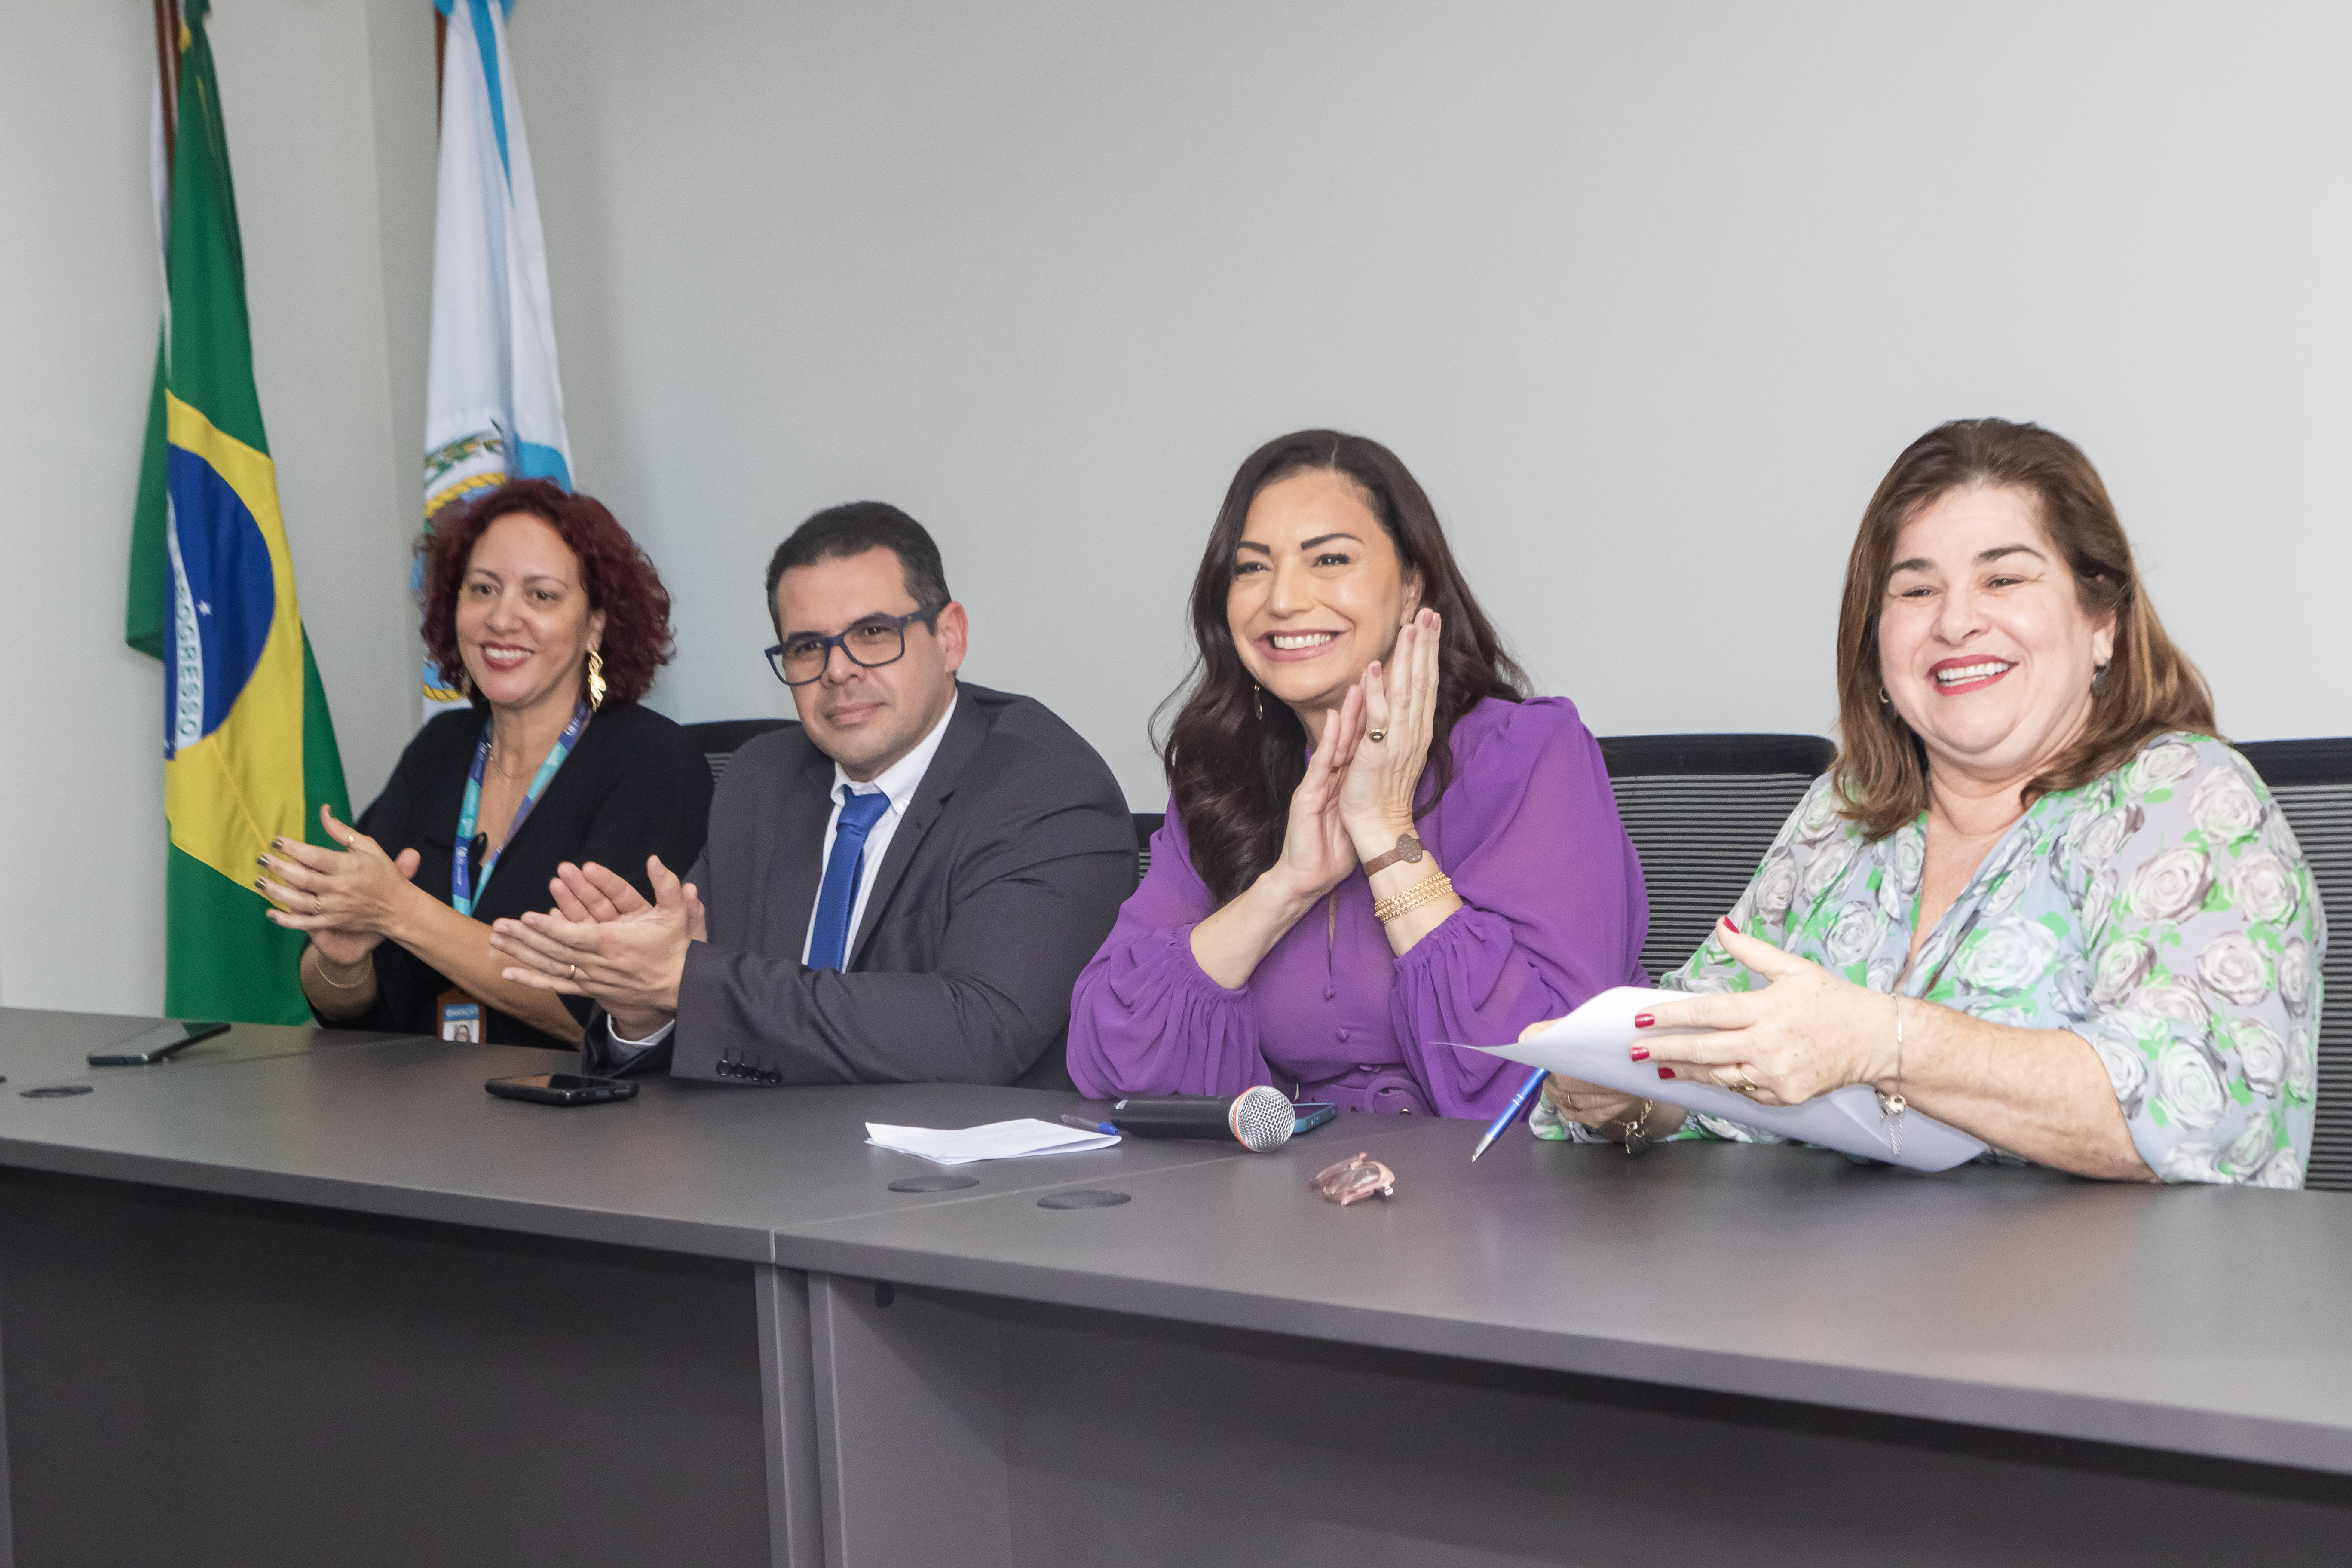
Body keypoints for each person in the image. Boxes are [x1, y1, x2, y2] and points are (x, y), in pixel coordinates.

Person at [1536, 418, 2323, 1186]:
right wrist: (1632, 1093)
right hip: (1819, 1270)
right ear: (1876, 647)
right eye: (1916, 590)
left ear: (2102, 624)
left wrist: (1886, 1042)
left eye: (2004, 579)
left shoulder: (2186, 797)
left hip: (2114, 1274)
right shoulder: (1843, 814)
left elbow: (2209, 1111)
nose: (1955, 621)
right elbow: (1711, 1037)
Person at [1066, 431, 1649, 1119]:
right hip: (1287, 1177)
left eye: (1330, 559)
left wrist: (1384, 833)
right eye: (1252, 568)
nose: (1283, 599)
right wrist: (1285, 889)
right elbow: (1109, 1053)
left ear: (1412, 587)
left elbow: (1559, 1077)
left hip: (1498, 1183)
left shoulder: (1529, 754)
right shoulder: (1224, 779)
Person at [488, 502, 1135, 1087]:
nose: (838, 670)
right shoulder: (760, 780)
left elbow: (979, 1031)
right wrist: (643, 1011)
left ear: (950, 638)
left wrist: (687, 979)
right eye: (806, 648)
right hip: (768, 1159)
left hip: (971, 1172)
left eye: (873, 633)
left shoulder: (1046, 790)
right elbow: (717, 1027)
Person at [258, 481, 712, 1050]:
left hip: (572, 1099)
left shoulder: (654, 761)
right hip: (410, 1094)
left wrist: (399, 911)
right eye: (483, 589)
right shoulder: (439, 749)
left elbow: (592, 1008)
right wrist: (343, 962)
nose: (502, 618)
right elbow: (345, 1009)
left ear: (596, 624)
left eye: (541, 596)